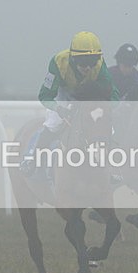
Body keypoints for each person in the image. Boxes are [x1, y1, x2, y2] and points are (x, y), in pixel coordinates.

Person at [20, 31, 119, 175]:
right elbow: (45, 96)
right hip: (64, 95)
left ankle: (113, 169)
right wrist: (59, 109)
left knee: (108, 129)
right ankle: (32, 161)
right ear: (73, 59)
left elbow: (114, 96)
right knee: (53, 124)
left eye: (92, 62)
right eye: (84, 63)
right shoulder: (58, 62)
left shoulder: (100, 65)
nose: (88, 68)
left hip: (88, 97)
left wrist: (104, 109)